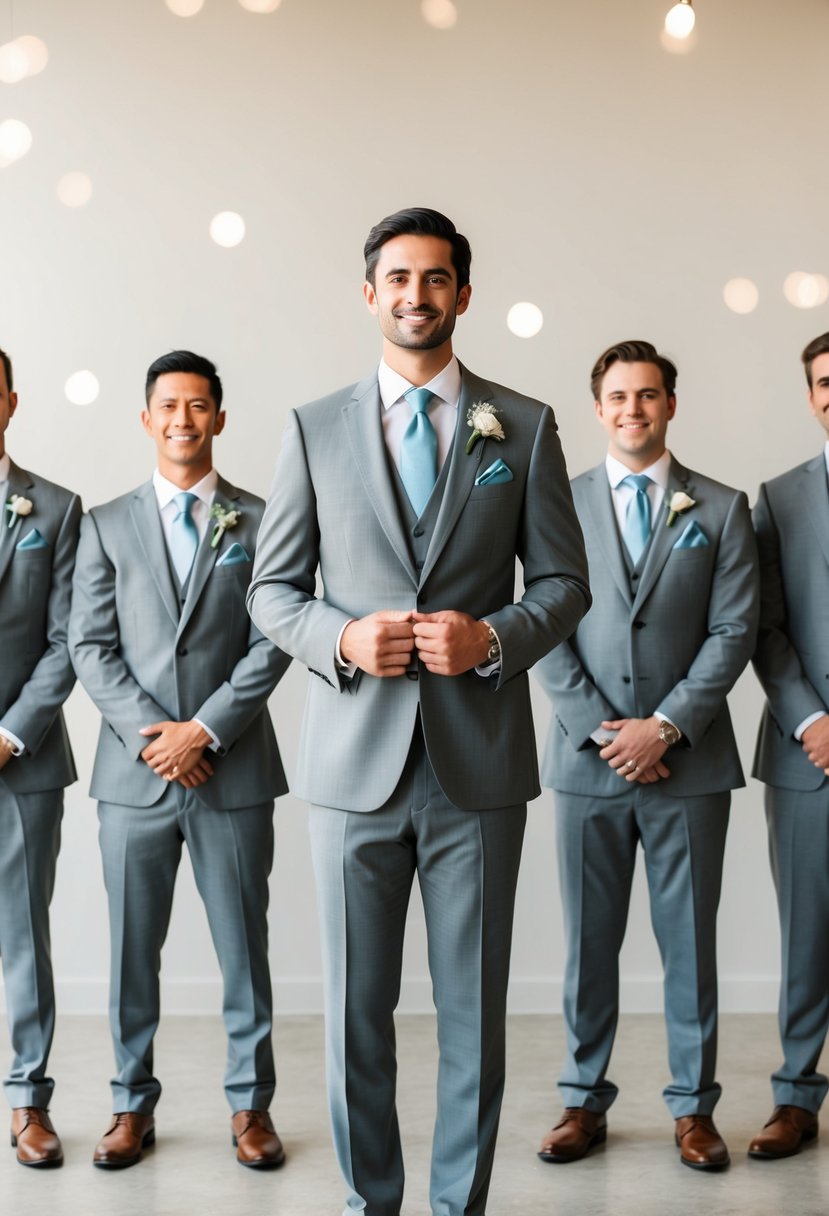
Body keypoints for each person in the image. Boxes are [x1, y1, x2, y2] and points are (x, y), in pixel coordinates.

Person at [247, 207, 589, 1216]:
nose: (415, 296)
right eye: (397, 278)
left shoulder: (519, 426)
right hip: (353, 765)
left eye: (434, 279)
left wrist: (493, 639)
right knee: (356, 1012)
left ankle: (457, 1207)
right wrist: (342, 641)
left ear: (462, 295)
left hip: (478, 769)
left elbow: (563, 583)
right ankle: (370, 1203)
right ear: (369, 294)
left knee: (472, 1016)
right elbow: (271, 592)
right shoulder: (311, 427)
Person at [535, 339, 758, 1171]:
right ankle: (581, 1102)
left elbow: (733, 629)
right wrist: (605, 730)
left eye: (648, 396)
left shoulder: (721, 508)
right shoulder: (556, 502)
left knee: (688, 944)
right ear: (598, 409)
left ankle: (693, 1110)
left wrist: (661, 726)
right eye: (618, 397)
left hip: (688, 766)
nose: (633, 410)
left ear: (670, 405)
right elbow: (542, 626)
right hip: (585, 766)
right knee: (588, 943)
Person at [69, 350, 290, 1170]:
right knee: (132, 950)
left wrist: (207, 730)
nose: (183, 421)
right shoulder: (104, 523)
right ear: (146, 417)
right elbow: (89, 645)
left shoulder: (262, 521)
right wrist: (158, 737)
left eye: (198, 407)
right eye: (169, 406)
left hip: (232, 773)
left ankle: (251, 1108)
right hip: (134, 779)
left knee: (244, 948)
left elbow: (273, 638)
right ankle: (131, 1106)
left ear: (219, 418)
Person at [0, 346, 81, 1168]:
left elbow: (67, 643)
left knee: (22, 935)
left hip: (20, 762)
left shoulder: (53, 509)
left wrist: (9, 733)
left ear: (10, 402)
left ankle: (28, 1104)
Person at [749, 330, 829, 1159]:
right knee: (806, 933)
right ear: (810, 396)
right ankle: (796, 1096)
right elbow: (763, 630)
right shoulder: (776, 499)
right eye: (822, 381)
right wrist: (811, 720)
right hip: (811, 755)